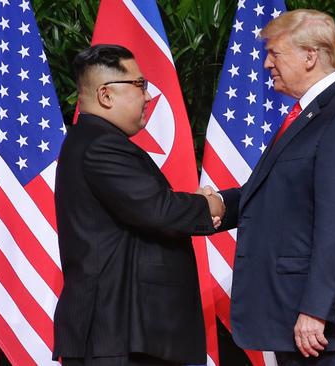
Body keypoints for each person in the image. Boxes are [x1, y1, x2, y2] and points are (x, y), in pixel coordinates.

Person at [208, 9, 335, 366]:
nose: (267, 64)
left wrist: (317, 310)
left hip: (322, 330)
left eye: (275, 53)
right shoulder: (310, 114)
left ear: (310, 56)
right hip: (294, 317)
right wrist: (217, 204)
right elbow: (277, 194)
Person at [53, 44, 224, 366]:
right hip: (118, 335)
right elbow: (159, 211)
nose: (147, 96)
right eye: (139, 85)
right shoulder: (101, 146)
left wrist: (226, 203)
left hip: (122, 335)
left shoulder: (93, 140)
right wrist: (211, 205)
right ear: (106, 95)